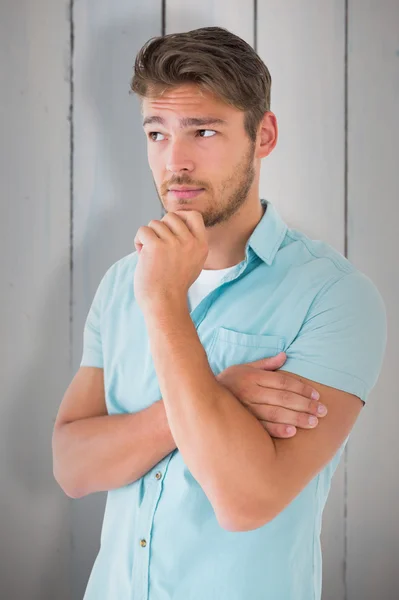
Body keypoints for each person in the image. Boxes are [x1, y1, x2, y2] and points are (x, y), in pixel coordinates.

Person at [52, 26, 387, 600]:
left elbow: (246, 500)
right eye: (156, 133)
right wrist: (216, 394)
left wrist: (162, 304)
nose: (174, 161)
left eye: (202, 131)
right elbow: (73, 467)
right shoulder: (119, 282)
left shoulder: (335, 297)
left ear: (264, 135)